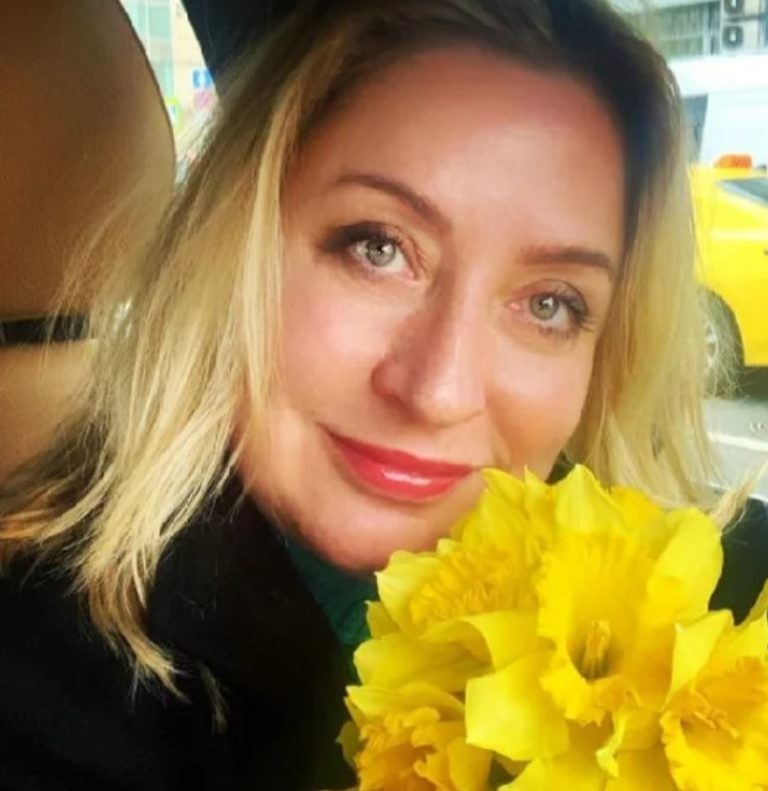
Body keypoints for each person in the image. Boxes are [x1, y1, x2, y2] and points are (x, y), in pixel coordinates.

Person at [1, 0, 766, 789]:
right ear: (235, 245)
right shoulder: (54, 689)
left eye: (549, 304)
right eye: (377, 248)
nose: (437, 390)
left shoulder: (724, 606)